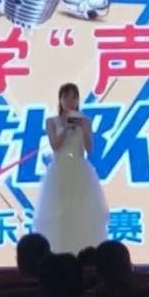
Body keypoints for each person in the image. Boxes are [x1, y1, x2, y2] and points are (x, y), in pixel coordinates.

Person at [34, 83, 109, 255]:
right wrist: (65, 128)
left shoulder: (85, 121)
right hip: (59, 171)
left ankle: (84, 253)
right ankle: (58, 252)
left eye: (74, 97)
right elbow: (55, 145)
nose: (70, 101)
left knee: (81, 212)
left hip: (80, 170)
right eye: (66, 97)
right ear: (60, 100)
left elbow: (89, 148)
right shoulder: (52, 121)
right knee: (59, 213)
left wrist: (83, 128)